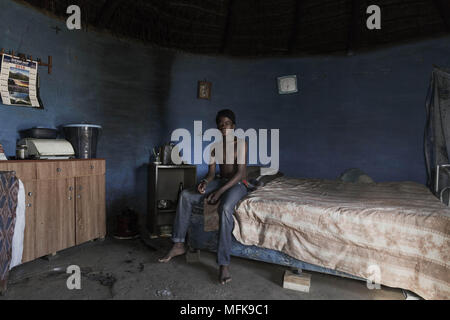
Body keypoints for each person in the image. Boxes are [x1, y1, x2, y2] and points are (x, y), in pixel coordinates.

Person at [158, 109, 248, 285]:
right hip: (220, 181)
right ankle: (178, 244)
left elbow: (240, 173)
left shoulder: (241, 144)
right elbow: (212, 173)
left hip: (237, 184)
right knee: (185, 195)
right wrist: (205, 183)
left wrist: (220, 192)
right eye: (220, 124)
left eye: (227, 123)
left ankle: (223, 263)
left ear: (234, 126)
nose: (224, 127)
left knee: (225, 207)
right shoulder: (214, 147)